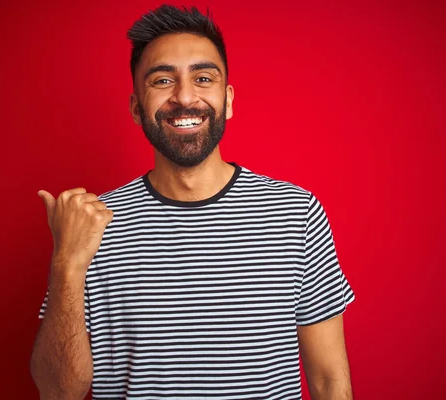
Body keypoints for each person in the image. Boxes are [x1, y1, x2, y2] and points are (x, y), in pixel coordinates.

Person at [30, 5, 355, 400]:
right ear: (136, 108)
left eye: (203, 78)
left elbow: (328, 381)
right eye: (163, 80)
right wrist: (67, 262)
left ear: (228, 99)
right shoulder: (92, 226)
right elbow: (58, 392)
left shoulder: (296, 213)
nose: (184, 96)